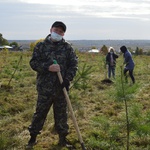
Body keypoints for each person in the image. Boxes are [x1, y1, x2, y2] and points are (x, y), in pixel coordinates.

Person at [26, 21, 78, 149]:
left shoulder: (67, 47)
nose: (58, 33)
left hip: (61, 88)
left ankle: (62, 139)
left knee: (62, 115)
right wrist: (48, 67)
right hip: (45, 88)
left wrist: (67, 79)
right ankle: (32, 139)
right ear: (51, 30)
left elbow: (73, 65)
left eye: (61, 31)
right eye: (56, 30)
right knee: (40, 113)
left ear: (63, 33)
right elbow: (33, 63)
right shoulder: (41, 46)